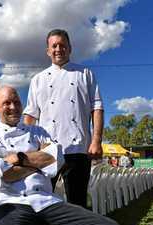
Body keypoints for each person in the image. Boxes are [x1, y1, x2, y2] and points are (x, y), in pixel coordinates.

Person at [0, 86, 122, 225]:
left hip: (47, 202)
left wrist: (19, 159)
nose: (13, 107)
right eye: (7, 103)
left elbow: (57, 160)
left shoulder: (38, 132)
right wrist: (40, 162)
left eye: (17, 102)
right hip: (8, 203)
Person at [23, 29, 104, 208]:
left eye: (62, 45)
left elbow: (96, 108)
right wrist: (28, 146)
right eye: (54, 46)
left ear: (70, 48)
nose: (58, 49)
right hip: (47, 150)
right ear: (48, 51)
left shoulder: (85, 73)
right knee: (42, 201)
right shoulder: (38, 79)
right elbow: (30, 115)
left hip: (78, 148)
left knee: (78, 203)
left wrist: (96, 140)